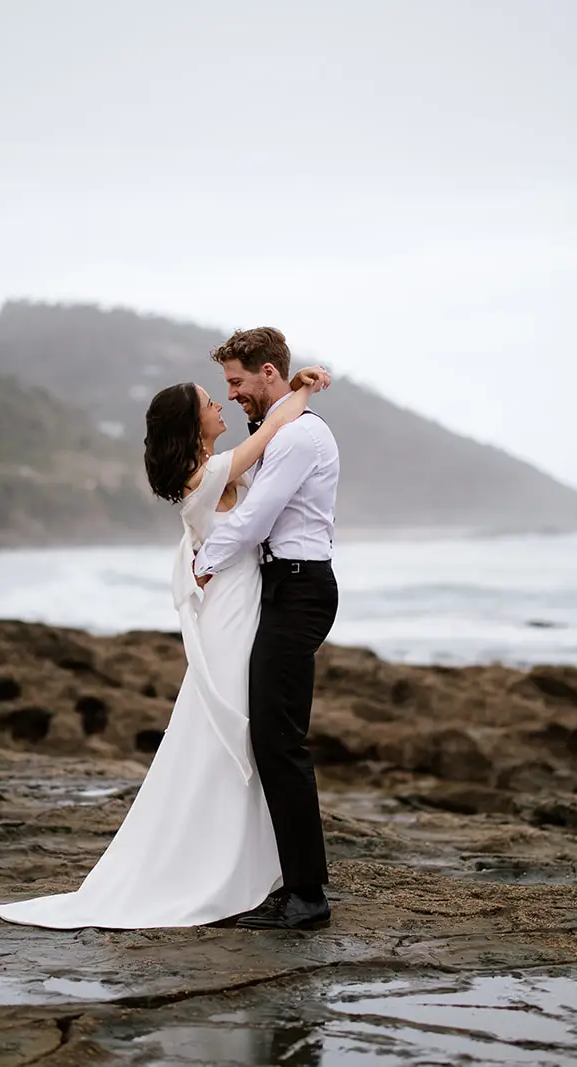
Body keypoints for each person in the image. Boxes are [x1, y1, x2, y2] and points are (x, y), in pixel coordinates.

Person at [0, 349, 331, 930]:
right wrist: (299, 390)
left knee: (247, 735)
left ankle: (261, 871)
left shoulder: (212, 469)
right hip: (233, 611)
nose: (220, 402)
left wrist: (299, 386)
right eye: (208, 401)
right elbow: (272, 433)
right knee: (237, 731)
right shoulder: (209, 475)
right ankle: (238, 871)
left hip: (249, 603)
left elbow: (274, 429)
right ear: (191, 424)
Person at [193, 327, 340, 931]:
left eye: (236, 382)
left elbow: (254, 518)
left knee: (280, 741)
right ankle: (290, 882)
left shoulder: (299, 436)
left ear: (268, 374)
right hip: (282, 587)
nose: (230, 396)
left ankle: (308, 897)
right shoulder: (284, 425)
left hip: (301, 589)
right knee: (273, 738)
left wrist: (203, 562)